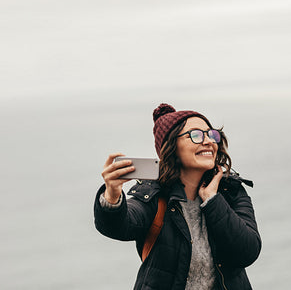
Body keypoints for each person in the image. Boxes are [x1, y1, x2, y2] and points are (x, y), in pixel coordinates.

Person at [94, 103, 261, 290]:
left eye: (211, 134)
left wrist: (213, 200)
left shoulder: (231, 191)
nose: (208, 141)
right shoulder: (153, 194)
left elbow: (248, 251)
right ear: (172, 146)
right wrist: (112, 194)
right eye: (196, 135)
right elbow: (120, 226)